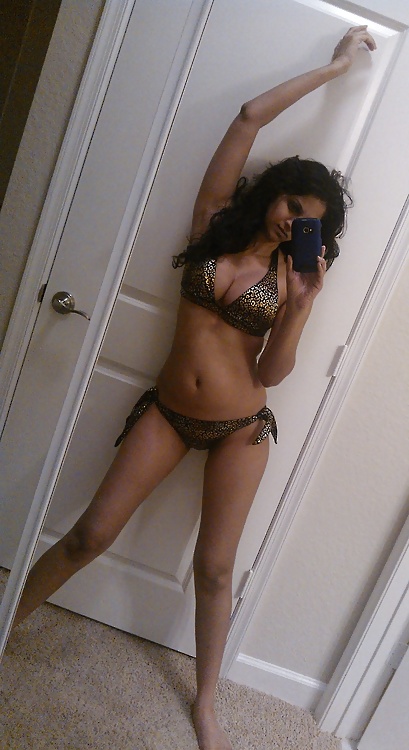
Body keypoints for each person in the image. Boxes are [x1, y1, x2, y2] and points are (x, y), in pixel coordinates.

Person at [12, 25, 376, 750]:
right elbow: (247, 117)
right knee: (90, 533)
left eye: (308, 221)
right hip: (169, 411)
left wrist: (300, 310)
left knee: (213, 569)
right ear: (271, 193)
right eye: (290, 204)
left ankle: (207, 706)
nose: (292, 221)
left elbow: (270, 374)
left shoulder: (293, 279)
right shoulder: (211, 225)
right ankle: (8, 620)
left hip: (240, 428)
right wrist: (336, 68)